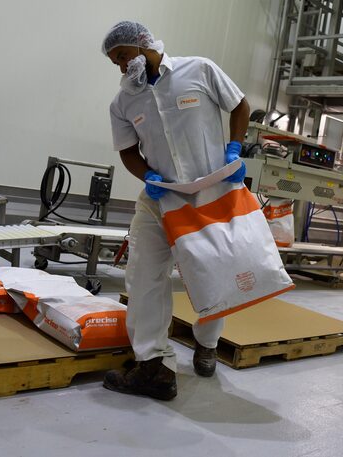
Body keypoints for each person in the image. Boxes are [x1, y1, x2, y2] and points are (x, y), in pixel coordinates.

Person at [101, 20, 250, 400]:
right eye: (115, 62)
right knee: (144, 277)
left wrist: (234, 149)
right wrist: (146, 175)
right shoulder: (124, 101)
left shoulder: (198, 69)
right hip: (159, 200)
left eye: (121, 56)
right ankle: (155, 366)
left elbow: (240, 105)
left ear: (142, 44)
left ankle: (207, 342)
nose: (120, 67)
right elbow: (128, 151)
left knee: (214, 275)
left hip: (211, 194)